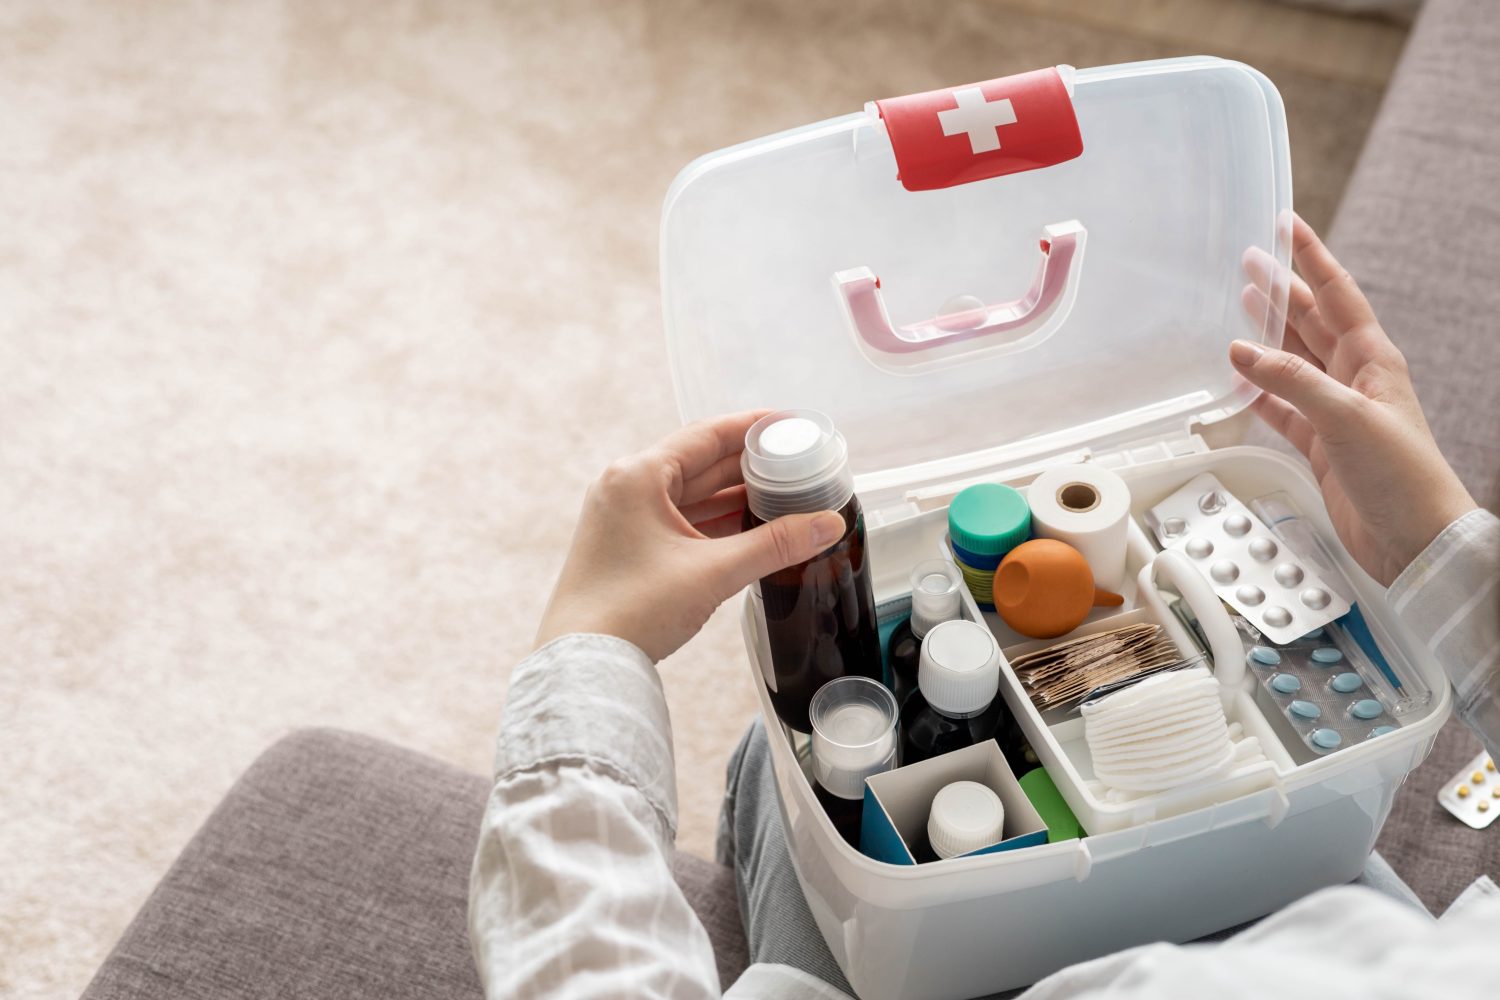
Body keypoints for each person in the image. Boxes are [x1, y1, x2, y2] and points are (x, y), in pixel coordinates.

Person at [468, 216, 1499, 998]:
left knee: (771, 759)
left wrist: (589, 649)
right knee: (815, 746)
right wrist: (1436, 547)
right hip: (1326, 919)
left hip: (974, 958)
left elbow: (588, 965)